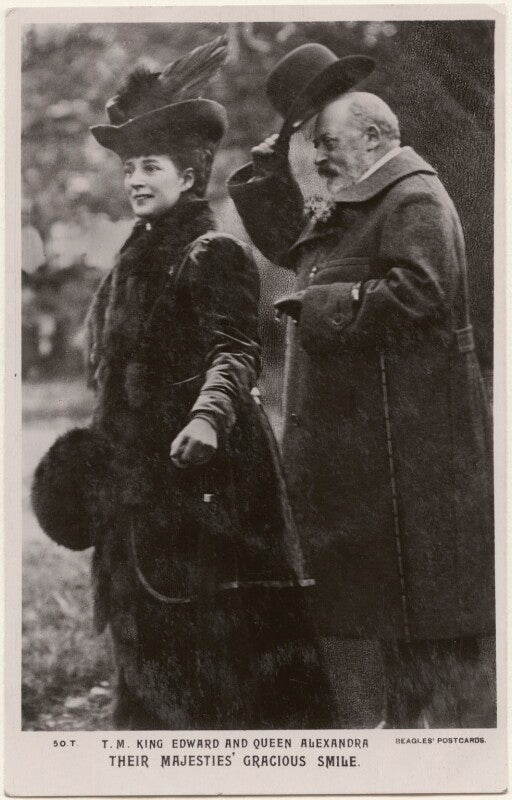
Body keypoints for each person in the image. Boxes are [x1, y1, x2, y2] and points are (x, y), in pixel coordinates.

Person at [31, 36, 337, 730]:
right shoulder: (130, 259)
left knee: (220, 655)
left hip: (207, 481)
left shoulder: (214, 252)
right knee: (145, 645)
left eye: (152, 166)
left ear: (192, 175)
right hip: (137, 481)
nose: (136, 179)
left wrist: (204, 418)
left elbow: (235, 352)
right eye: (130, 167)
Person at [227, 43, 495, 728]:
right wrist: (284, 137)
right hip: (377, 448)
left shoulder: (412, 196)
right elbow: (288, 239)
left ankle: (433, 754)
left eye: (328, 142)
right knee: (391, 613)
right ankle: (403, 736)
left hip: (409, 451)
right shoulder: (361, 201)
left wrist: (312, 306)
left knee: (424, 621)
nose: (318, 159)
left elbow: (420, 295)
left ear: (376, 137)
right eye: (312, 144)